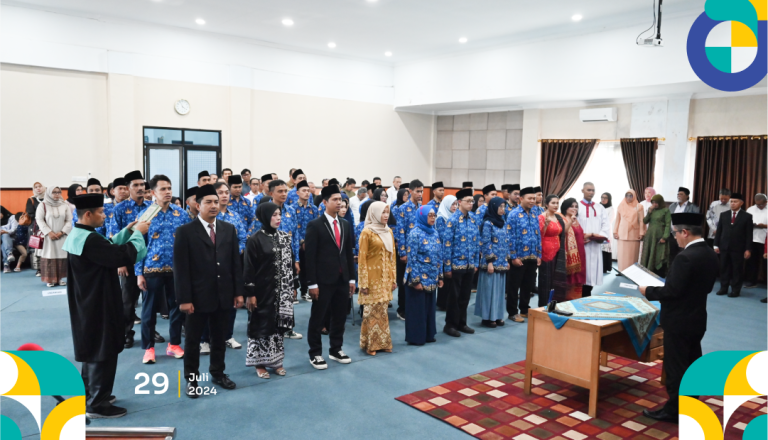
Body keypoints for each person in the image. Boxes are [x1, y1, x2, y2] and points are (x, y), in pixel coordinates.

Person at [63, 193, 149, 418]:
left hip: (87, 301)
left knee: (92, 348)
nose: (104, 216)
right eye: (101, 212)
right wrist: (138, 234)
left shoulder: (80, 234)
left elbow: (108, 248)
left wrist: (127, 232)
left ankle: (90, 395)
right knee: (103, 348)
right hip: (99, 302)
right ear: (88, 214)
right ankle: (97, 404)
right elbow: (119, 256)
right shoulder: (90, 240)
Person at [639, 212, 719, 423]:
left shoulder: (685, 257)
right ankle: (691, 401)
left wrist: (647, 291)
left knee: (676, 367)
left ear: (685, 232)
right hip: (697, 318)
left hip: (678, 320)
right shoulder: (710, 253)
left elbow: (671, 291)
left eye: (675, 233)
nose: (674, 238)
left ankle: (674, 411)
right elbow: (705, 287)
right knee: (692, 362)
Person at [173, 184, 243, 398]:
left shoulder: (228, 229)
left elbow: (235, 263)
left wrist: (238, 292)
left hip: (223, 295)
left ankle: (218, 373)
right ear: (198, 205)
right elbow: (181, 269)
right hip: (197, 297)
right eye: (208, 202)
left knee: (219, 338)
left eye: (216, 202)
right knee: (193, 341)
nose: (214, 205)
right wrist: (184, 299)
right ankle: (191, 379)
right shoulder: (185, 232)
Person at [135, 175, 188, 365]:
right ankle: (148, 348)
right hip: (151, 268)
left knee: (177, 308)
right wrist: (139, 273)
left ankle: (174, 344)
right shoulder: (145, 215)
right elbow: (138, 244)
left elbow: (187, 243)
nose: (167, 192)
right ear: (153, 192)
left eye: (169, 188)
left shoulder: (181, 213)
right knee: (149, 311)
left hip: (176, 269)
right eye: (163, 189)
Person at [304, 185, 356, 370]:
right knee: (318, 318)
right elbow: (310, 257)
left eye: (340, 199)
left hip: (342, 279)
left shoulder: (345, 224)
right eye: (334, 200)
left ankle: (336, 349)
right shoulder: (315, 225)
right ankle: (315, 353)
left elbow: (348, 254)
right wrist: (312, 283)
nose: (339, 203)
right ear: (325, 202)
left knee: (340, 316)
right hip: (323, 280)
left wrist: (351, 279)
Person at [244, 202, 296, 378]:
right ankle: (259, 363)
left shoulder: (285, 237)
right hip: (262, 291)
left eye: (279, 214)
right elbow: (248, 268)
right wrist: (250, 293)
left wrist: (293, 287)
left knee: (278, 327)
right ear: (265, 217)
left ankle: (276, 362)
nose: (278, 218)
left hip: (282, 292)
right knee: (261, 325)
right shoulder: (255, 239)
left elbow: (290, 264)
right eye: (274, 215)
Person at [114, 171, 152, 348]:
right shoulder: (120, 209)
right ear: (128, 188)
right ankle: (126, 333)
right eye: (135, 185)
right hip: (128, 260)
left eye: (142, 184)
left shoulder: (152, 207)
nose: (140, 188)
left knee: (150, 300)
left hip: (150, 259)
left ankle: (150, 331)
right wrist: (120, 262)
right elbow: (114, 235)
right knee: (128, 301)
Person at [357, 201, 396, 355]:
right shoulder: (367, 232)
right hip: (371, 278)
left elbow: (392, 257)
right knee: (371, 312)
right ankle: (370, 345)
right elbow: (362, 259)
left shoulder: (388, 231)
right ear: (374, 213)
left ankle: (384, 343)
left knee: (383, 311)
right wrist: (363, 282)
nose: (386, 215)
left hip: (385, 278)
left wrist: (393, 278)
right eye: (383, 212)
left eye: (387, 212)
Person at [442, 188, 480, 336]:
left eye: (472, 201)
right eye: (468, 201)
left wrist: (476, 263)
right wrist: (447, 267)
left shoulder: (473, 219)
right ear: (459, 202)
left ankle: (462, 323)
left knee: (465, 296)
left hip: (470, 264)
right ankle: (450, 325)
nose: (471, 204)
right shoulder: (452, 220)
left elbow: (476, 243)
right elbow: (447, 245)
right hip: (456, 265)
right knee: (454, 297)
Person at [405, 205, 443, 345]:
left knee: (429, 309)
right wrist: (416, 280)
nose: (433, 218)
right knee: (418, 309)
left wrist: (440, 276)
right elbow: (412, 259)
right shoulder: (414, 233)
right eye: (429, 215)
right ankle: (417, 337)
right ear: (422, 216)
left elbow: (439, 255)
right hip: (419, 277)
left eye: (434, 215)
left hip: (432, 276)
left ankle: (428, 334)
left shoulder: (435, 232)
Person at [506, 187, 542, 321]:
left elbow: (538, 235)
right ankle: (512, 312)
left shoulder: (534, 214)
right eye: (529, 198)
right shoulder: (513, 214)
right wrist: (513, 257)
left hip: (532, 255)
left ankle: (524, 309)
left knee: (528, 285)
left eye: (534, 198)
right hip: (519, 257)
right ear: (521, 198)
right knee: (514, 286)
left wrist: (539, 254)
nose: (532, 201)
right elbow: (509, 237)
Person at [475, 197, 510, 327]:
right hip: (491, 262)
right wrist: (489, 261)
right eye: (500, 207)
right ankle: (487, 317)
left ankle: (498, 315)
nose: (502, 209)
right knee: (489, 291)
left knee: (499, 291)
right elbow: (485, 243)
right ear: (494, 207)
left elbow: (506, 241)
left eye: (504, 207)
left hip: (501, 261)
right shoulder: (487, 223)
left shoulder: (503, 222)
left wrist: (507, 259)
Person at [395, 179, 424, 321]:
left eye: (422, 191)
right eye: (417, 191)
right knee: (404, 281)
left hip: (420, 251)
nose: (420, 194)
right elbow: (400, 231)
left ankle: (414, 308)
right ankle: (402, 309)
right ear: (410, 191)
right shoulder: (403, 208)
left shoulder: (422, 208)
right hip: (406, 251)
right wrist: (402, 252)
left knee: (417, 279)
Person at [714, 192, 753, 298]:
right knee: (724, 268)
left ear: (741, 203)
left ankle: (735, 290)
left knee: (737, 270)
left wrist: (748, 249)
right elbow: (719, 231)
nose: (732, 203)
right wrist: (716, 245)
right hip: (724, 246)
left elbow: (749, 234)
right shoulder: (724, 215)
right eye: (731, 201)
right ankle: (723, 288)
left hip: (739, 248)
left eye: (735, 202)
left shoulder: (747, 216)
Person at [576, 182, 610, 297]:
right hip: (581, 245)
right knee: (582, 271)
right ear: (582, 190)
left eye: (593, 190)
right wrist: (581, 237)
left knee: (593, 271)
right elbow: (572, 224)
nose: (591, 192)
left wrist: (601, 236)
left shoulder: (599, 207)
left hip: (595, 245)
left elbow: (606, 224)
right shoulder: (576, 206)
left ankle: (588, 293)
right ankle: (581, 295)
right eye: (588, 190)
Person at [36, 186, 72, 287]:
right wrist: (49, 232)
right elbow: (39, 220)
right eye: (54, 192)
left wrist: (62, 232)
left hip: (62, 236)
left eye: (58, 192)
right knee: (49, 257)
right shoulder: (42, 205)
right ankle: (50, 279)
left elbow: (69, 220)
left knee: (61, 257)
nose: (57, 194)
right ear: (48, 193)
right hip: (48, 236)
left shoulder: (64, 205)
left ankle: (59, 278)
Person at [537, 195, 569, 306]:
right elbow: (539, 236)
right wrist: (546, 225)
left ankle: (554, 304)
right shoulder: (542, 217)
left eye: (557, 203)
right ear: (546, 204)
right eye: (553, 203)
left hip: (558, 252)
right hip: (546, 252)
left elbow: (562, 233)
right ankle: (543, 305)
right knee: (546, 280)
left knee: (555, 280)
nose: (556, 205)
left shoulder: (558, 217)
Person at [294, 180, 319, 302]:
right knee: (296, 268)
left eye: (308, 191)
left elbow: (316, 226)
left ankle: (305, 291)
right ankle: (294, 292)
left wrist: (309, 242)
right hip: (296, 243)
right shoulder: (292, 208)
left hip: (310, 243)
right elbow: (293, 227)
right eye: (304, 190)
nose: (307, 193)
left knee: (308, 267)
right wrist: (301, 242)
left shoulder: (314, 209)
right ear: (298, 193)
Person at [435, 195, 457, 311]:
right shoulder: (441, 218)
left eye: (456, 204)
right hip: (443, 252)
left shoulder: (455, 217)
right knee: (445, 278)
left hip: (453, 252)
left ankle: (449, 302)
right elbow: (443, 236)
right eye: (452, 204)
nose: (455, 206)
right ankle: (442, 303)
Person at [561, 198, 586, 300]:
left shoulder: (576, 220)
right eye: (571, 206)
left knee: (578, 275)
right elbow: (563, 232)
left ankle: (576, 299)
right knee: (569, 277)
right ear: (565, 208)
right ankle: (567, 300)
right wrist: (571, 221)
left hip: (580, 251)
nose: (574, 208)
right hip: (569, 253)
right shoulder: (563, 219)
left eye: (576, 206)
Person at [641, 194, 672, 277]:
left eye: (656, 202)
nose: (654, 204)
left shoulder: (666, 211)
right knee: (649, 253)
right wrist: (649, 212)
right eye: (653, 202)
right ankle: (647, 273)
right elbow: (645, 221)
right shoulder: (651, 210)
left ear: (660, 202)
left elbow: (668, 225)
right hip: (650, 237)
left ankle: (658, 274)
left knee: (659, 254)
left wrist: (665, 237)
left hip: (659, 237)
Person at [668, 187, 700, 265]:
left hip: (684, 235)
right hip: (672, 234)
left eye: (681, 194)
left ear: (687, 196)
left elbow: (696, 222)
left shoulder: (693, 207)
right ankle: (672, 270)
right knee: (671, 254)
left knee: (682, 254)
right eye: (678, 194)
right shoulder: (672, 206)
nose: (679, 196)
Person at [613, 190, 643, 272]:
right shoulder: (621, 206)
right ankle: (621, 270)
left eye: (631, 195)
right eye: (627, 195)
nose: (628, 197)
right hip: (622, 234)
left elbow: (641, 221)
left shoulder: (639, 206)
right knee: (622, 254)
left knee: (632, 255)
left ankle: (631, 272)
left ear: (634, 196)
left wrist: (641, 233)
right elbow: (617, 220)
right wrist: (615, 231)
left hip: (634, 234)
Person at [745, 193, 768, 289]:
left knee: (766, 263)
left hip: (765, 240)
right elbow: (745, 223)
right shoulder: (750, 209)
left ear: (766, 202)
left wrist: (764, 226)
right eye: (757, 204)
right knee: (752, 262)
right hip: (752, 239)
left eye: (761, 205)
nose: (759, 206)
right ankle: (752, 281)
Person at [26, 182, 46, 275]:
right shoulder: (31, 199)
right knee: (37, 247)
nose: (38, 188)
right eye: (36, 187)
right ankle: (39, 269)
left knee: (47, 247)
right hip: (36, 226)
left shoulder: (49, 198)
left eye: (40, 186)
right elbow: (30, 213)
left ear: (44, 187)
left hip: (48, 225)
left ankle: (47, 268)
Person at [600, 193, 615, 273]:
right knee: (598, 249)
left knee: (605, 250)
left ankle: (605, 267)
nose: (603, 199)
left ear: (609, 199)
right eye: (602, 197)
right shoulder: (598, 207)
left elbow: (609, 221)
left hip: (606, 231)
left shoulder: (611, 209)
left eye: (605, 198)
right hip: (597, 231)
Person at [1, 206, 18, 273]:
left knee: (3, 243)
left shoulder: (12, 217)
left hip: (9, 237)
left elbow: (14, 229)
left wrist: (6, 232)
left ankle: (6, 264)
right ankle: (9, 254)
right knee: (4, 238)